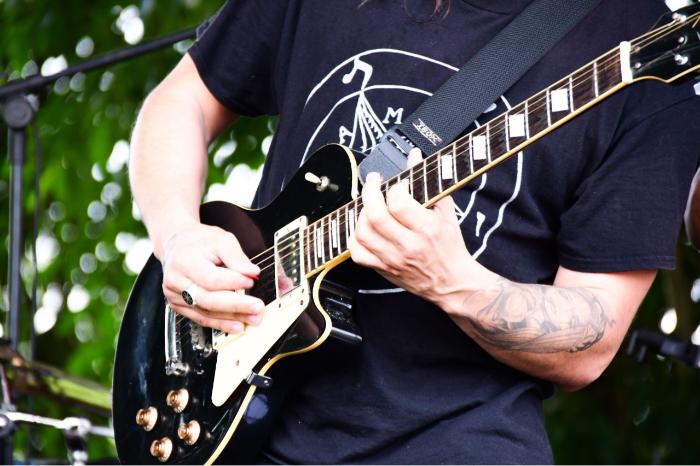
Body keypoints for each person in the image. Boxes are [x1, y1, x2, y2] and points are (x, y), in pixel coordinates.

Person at [129, 0, 700, 463]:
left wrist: (455, 282)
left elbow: (592, 343)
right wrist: (177, 234)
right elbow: (182, 102)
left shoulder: (643, 48)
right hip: (243, 421)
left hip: (459, 444)